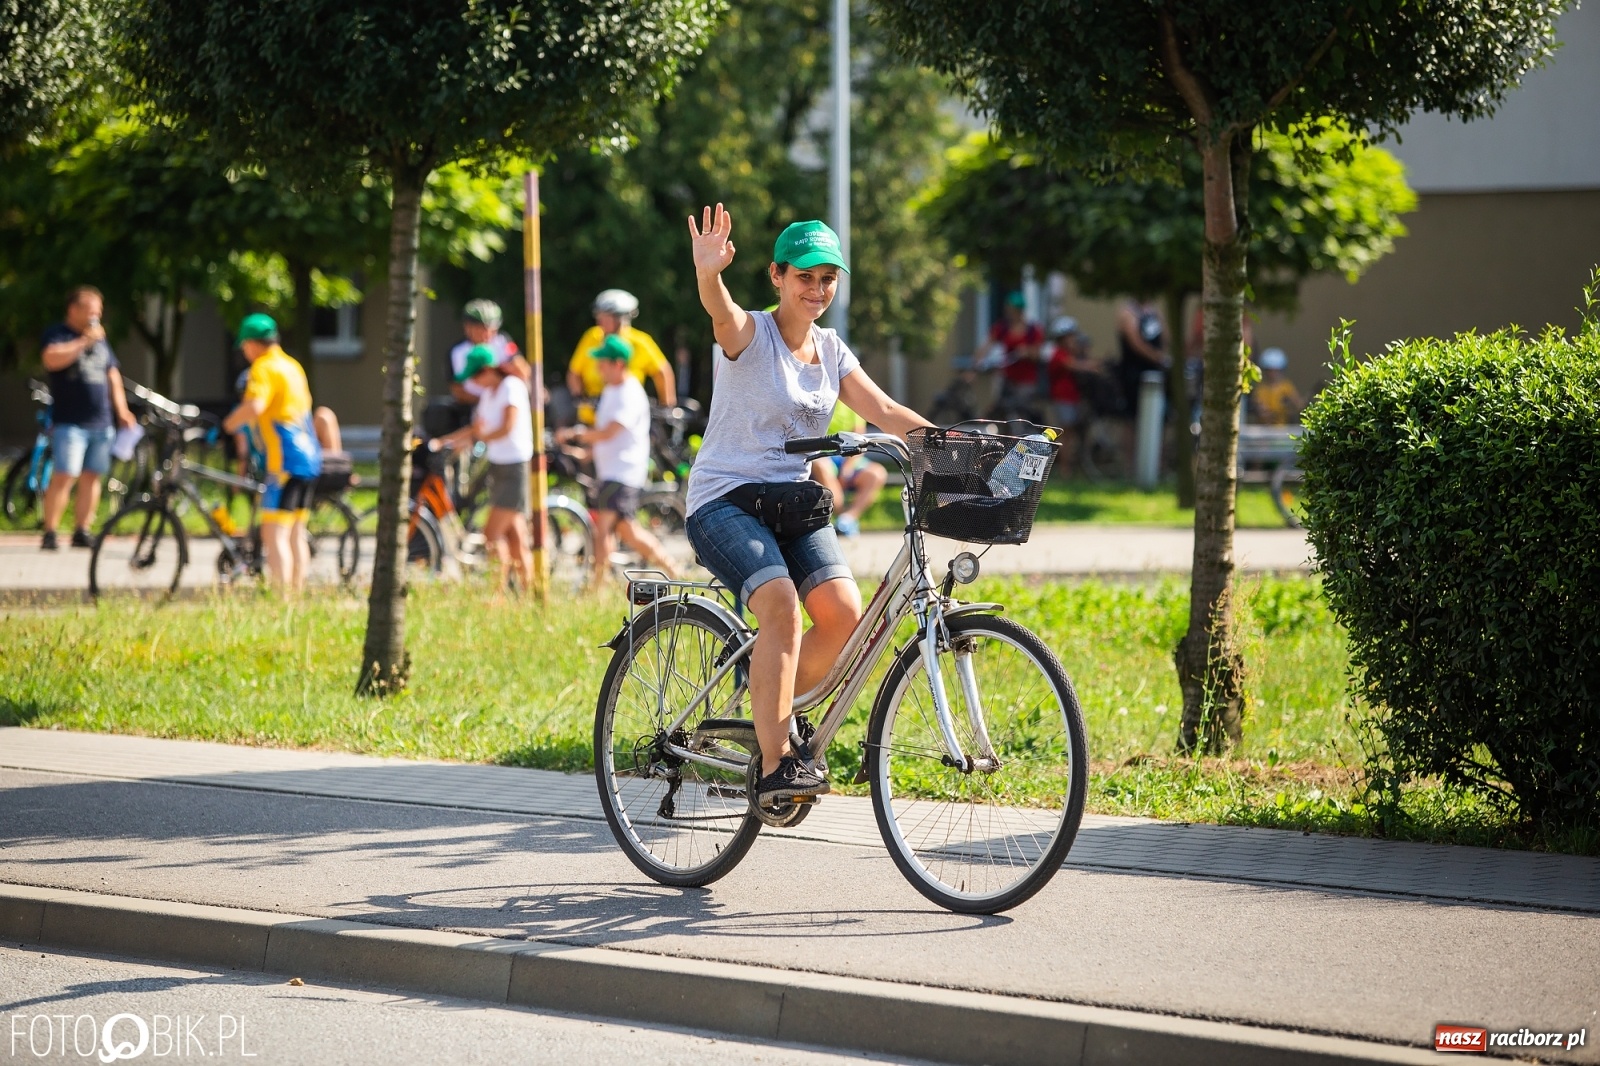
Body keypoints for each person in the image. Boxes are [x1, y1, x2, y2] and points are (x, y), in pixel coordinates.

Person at [685, 205, 931, 806]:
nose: (817, 290)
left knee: (846, 619)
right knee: (780, 606)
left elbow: (888, 412)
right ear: (777, 275)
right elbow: (721, 311)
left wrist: (952, 446)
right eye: (805, 277)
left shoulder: (831, 349)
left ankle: (767, 701)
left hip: (790, 502)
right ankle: (775, 764)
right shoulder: (751, 334)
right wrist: (709, 272)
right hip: (724, 500)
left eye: (828, 279)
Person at [555, 335, 678, 585]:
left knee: (604, 530)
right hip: (612, 470)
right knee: (627, 531)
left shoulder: (629, 392)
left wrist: (574, 433)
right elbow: (608, 436)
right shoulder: (612, 390)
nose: (598, 367)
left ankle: (597, 587)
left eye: (603, 362)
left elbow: (611, 431)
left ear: (618, 363)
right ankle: (671, 568)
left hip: (622, 472)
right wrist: (586, 453)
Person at [222, 314, 322, 591]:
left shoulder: (263, 368)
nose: (244, 351)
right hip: (309, 457)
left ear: (253, 344)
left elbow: (255, 405)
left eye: (244, 345)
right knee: (295, 532)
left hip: (284, 461)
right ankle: (297, 593)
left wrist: (228, 425)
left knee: (273, 532)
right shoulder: (293, 366)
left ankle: (282, 598)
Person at [37, 286, 137, 551]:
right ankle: (50, 532)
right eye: (92, 310)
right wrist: (84, 342)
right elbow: (50, 360)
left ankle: (82, 530)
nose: (97, 316)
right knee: (65, 476)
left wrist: (122, 411)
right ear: (74, 310)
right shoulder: (58, 334)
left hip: (102, 423)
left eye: (99, 312)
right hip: (70, 423)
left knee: (92, 477)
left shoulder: (101, 341)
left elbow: (112, 376)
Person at [435, 344, 535, 592]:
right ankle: (532, 594)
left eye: (476, 376)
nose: (474, 382)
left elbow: (506, 427)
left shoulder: (511, 387)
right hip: (499, 466)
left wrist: (479, 438)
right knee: (515, 537)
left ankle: (497, 593)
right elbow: (476, 429)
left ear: (490, 370)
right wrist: (446, 441)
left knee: (491, 534)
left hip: (514, 468)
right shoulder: (489, 395)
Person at [566, 289, 677, 410]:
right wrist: (578, 396)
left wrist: (666, 406)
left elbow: (662, 372)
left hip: (624, 414)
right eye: (599, 317)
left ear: (621, 319)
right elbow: (574, 372)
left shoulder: (640, 342)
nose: (600, 322)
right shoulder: (592, 336)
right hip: (592, 416)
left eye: (606, 318)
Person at [809, 402, 887, 538]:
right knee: (822, 466)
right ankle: (836, 516)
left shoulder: (851, 403)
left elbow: (860, 438)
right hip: (821, 455)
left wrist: (847, 467)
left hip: (847, 456)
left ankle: (847, 519)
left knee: (876, 473)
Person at [448, 299, 533, 407]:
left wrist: (500, 371)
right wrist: (488, 402)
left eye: (492, 330)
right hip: (473, 408)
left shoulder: (503, 341)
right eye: (482, 328)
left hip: (506, 403)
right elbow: (457, 390)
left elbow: (523, 370)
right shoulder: (456, 351)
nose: (487, 334)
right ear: (468, 327)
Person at [984, 291, 1044, 413]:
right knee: (999, 407)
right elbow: (987, 345)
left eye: (1012, 310)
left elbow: (1038, 354)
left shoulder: (1032, 330)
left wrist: (1026, 352)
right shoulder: (1002, 328)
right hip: (1007, 377)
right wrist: (975, 364)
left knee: (1023, 409)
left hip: (1026, 380)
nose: (1009, 313)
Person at [1044, 316, 1085, 471]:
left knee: (1070, 433)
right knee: (1065, 433)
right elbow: (1072, 366)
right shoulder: (1058, 354)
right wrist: (1093, 366)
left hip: (1072, 397)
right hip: (1062, 398)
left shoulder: (1069, 353)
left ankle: (1069, 467)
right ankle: (1064, 469)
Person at [1250, 348, 1304, 425]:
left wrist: (1290, 405)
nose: (1272, 374)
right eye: (1269, 370)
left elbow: (1299, 406)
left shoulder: (1287, 387)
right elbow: (1257, 408)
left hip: (1282, 430)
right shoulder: (1260, 389)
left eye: (1276, 370)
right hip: (1263, 431)